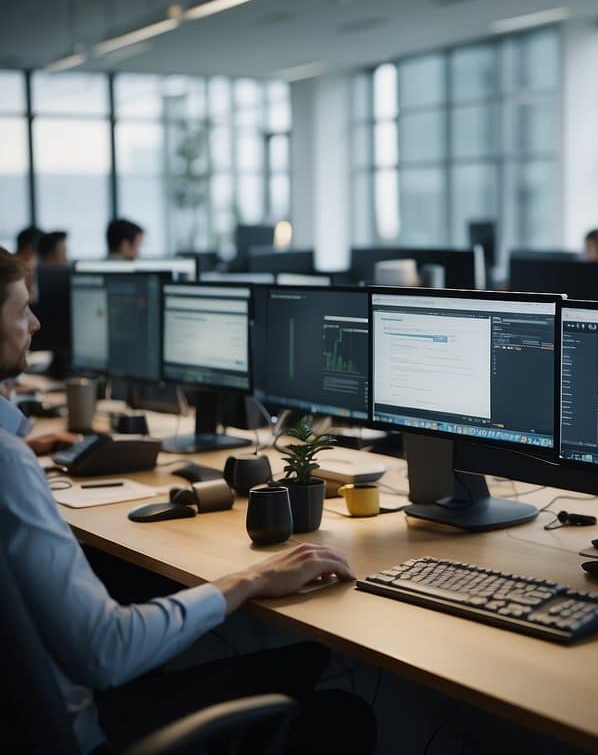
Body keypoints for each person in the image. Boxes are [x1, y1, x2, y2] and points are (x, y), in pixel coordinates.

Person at [0, 253, 374, 754]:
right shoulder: (7, 466)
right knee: (346, 712)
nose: (36, 323)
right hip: (78, 733)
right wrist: (247, 580)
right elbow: (106, 650)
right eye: (22, 309)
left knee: (307, 657)